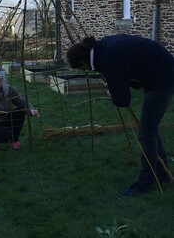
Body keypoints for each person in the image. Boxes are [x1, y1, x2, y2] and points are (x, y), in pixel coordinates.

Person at [67, 33, 174, 196]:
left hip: (162, 78)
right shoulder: (103, 47)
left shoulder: (107, 57)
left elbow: (123, 100)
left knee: (145, 133)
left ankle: (146, 183)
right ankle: (162, 175)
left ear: (83, 61)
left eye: (83, 68)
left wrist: (112, 92)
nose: (86, 70)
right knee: (149, 129)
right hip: (160, 70)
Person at [0, 67, 39, 151]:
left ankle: (14, 141)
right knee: (4, 136)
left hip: (6, 118)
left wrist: (31, 110)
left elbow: (21, 101)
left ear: (3, 81)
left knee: (21, 109)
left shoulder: (9, 89)